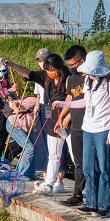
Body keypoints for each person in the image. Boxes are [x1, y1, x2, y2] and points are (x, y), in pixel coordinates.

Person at [52, 49, 110, 216]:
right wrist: (64, 104)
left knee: (105, 168)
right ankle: (91, 202)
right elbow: (84, 101)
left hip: (104, 128)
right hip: (88, 128)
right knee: (89, 168)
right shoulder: (88, 81)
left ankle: (104, 206)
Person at [5, 53, 71, 194]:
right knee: (51, 151)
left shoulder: (68, 79)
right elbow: (28, 73)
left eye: (51, 69)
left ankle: (70, 184)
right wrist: (12, 65)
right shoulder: (46, 78)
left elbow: (73, 100)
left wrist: (64, 118)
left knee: (67, 151)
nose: (48, 73)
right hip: (50, 114)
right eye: (46, 69)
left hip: (66, 117)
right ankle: (49, 183)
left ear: (59, 68)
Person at [57, 45, 88, 206]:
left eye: (73, 65)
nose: (71, 68)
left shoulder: (91, 77)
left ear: (82, 60)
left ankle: (91, 194)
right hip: (75, 125)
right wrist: (62, 116)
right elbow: (70, 99)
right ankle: (77, 195)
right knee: (78, 163)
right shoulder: (72, 78)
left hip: (90, 126)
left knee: (91, 163)